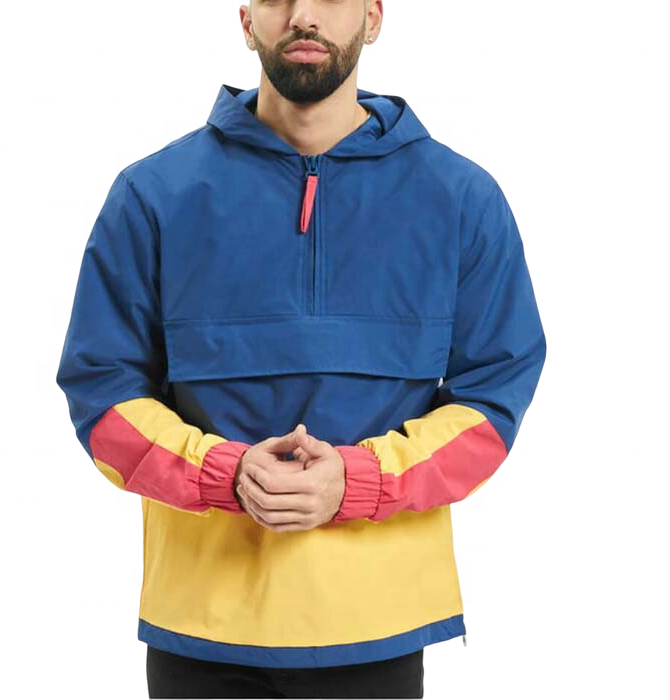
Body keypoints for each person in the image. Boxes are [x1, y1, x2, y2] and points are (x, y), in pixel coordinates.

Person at [55, 0, 546, 697]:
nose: (303, 14)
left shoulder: (461, 197)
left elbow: (493, 403)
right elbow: (101, 393)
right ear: (246, 20)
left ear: (372, 18)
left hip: (379, 625)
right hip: (203, 627)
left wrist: (360, 480)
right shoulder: (153, 194)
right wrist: (223, 473)